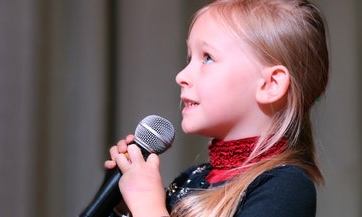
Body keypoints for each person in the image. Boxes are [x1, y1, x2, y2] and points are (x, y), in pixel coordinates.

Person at [104, 0, 329, 216]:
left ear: (270, 84)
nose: (181, 76)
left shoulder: (285, 187)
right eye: (189, 58)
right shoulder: (191, 179)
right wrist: (126, 208)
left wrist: (148, 205)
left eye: (208, 58)